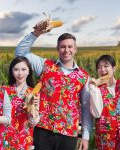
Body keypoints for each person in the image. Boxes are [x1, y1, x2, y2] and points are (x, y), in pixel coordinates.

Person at [15, 21, 92, 150]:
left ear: (75, 49)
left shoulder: (84, 77)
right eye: (62, 47)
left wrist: (85, 135)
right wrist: (36, 33)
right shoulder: (45, 66)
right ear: (57, 49)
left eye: (70, 46)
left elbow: (85, 109)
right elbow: (20, 53)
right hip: (42, 130)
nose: (66, 50)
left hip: (68, 133)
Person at [89, 55, 120, 149]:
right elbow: (96, 113)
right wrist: (93, 87)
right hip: (105, 139)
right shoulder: (96, 90)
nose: (102, 70)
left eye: (106, 66)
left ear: (114, 68)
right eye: (99, 67)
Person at [3, 56, 40, 149]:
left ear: (29, 71)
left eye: (23, 69)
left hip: (25, 141)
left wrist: (32, 107)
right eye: (16, 69)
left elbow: (33, 123)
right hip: (5, 140)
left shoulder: (35, 93)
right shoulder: (4, 91)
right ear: (11, 71)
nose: (20, 73)